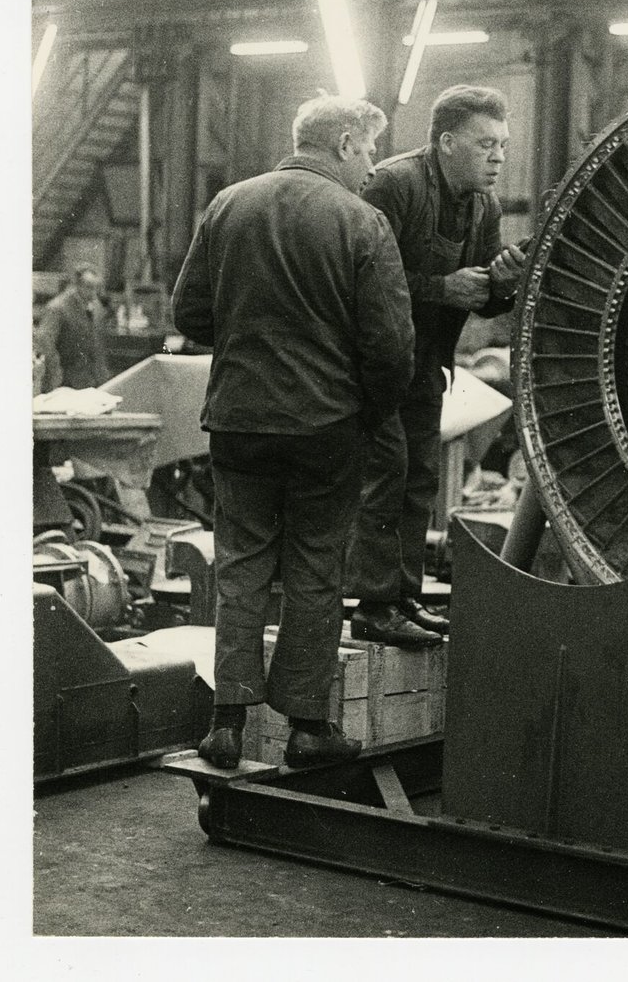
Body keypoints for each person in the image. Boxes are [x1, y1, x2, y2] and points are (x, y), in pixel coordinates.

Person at [172, 95, 415, 769]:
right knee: (314, 568)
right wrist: (367, 412)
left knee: (241, 564)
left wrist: (252, 340)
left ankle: (226, 723)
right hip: (324, 427)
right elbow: (391, 347)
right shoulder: (362, 222)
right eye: (367, 151)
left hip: (238, 422)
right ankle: (308, 729)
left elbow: (189, 309)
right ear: (342, 144)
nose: (371, 167)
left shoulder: (229, 205)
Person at [345, 84, 527, 647]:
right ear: (447, 143)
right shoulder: (393, 185)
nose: (498, 157)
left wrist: (502, 284)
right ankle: (374, 604)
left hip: (425, 364)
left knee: (420, 479)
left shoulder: (484, 206)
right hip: (372, 367)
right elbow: (358, 281)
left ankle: (402, 597)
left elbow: (481, 299)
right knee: (389, 474)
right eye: (485, 144)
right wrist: (441, 288)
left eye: (502, 145)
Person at [36, 264, 109, 388]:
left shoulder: (97, 307)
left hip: (93, 380)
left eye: (97, 288)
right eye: (89, 287)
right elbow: (44, 341)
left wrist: (102, 376)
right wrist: (56, 374)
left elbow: (98, 344)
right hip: (65, 382)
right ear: (76, 285)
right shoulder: (57, 308)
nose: (94, 293)